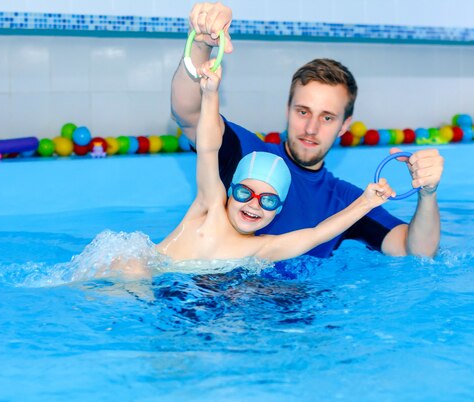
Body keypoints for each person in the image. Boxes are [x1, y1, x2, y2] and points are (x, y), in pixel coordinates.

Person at [170, 2, 444, 258]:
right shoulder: (248, 156)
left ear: (344, 126)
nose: (311, 128)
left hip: (292, 307)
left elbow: (417, 251)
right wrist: (202, 45)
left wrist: (428, 193)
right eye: (303, 112)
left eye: (327, 118)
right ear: (288, 108)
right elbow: (189, 114)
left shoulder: (344, 201)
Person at [154, 59, 394, 265]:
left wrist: (365, 203)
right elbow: (208, 148)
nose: (253, 204)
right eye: (244, 192)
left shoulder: (262, 249)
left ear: (278, 209)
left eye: (268, 200)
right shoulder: (210, 207)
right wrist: (210, 94)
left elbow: (317, 234)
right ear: (228, 190)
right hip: (142, 270)